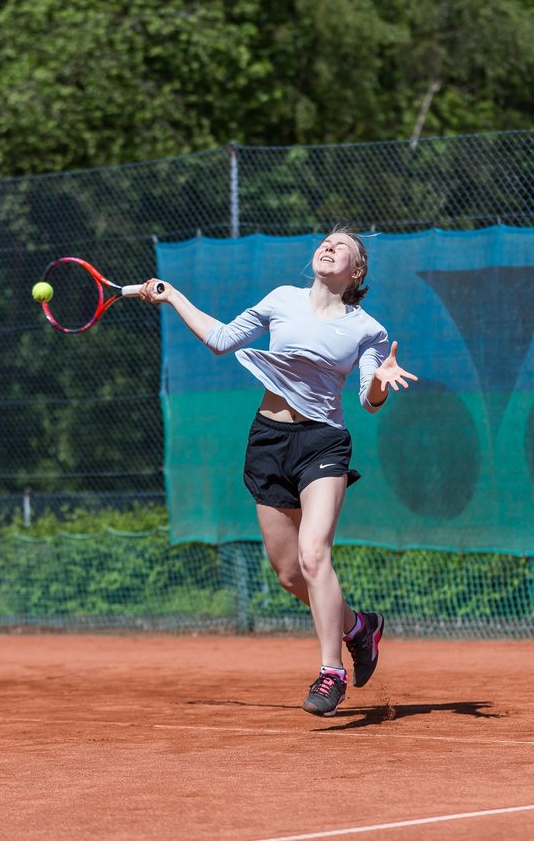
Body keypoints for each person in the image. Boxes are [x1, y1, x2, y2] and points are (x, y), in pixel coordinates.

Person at [138, 228, 417, 717]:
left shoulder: (366, 329)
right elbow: (222, 340)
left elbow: (368, 404)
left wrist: (378, 381)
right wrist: (173, 295)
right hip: (268, 442)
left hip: (323, 445)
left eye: (342, 246)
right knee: (291, 575)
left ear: (356, 272)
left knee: (315, 556)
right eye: (325, 242)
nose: (329, 246)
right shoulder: (282, 300)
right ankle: (359, 628)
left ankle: (332, 673)